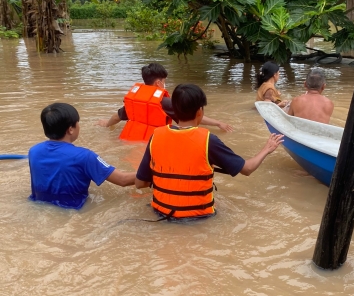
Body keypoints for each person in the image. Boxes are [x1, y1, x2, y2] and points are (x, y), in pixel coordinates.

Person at [135, 84, 284, 220]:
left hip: (160, 214)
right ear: (200, 112)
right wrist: (267, 149)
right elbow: (247, 169)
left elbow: (140, 183)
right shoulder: (208, 140)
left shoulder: (156, 136)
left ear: (174, 109)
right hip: (198, 220)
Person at [29, 103, 136, 210]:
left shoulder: (33, 151)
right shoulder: (85, 156)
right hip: (73, 212)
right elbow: (123, 180)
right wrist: (150, 170)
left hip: (38, 206)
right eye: (78, 123)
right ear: (71, 129)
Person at [98, 62, 233, 141]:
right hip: (154, 143)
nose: (165, 83)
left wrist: (106, 124)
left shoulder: (135, 101)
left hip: (128, 141)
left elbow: (117, 116)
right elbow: (191, 116)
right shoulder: (165, 102)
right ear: (158, 83)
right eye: (164, 81)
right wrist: (218, 123)